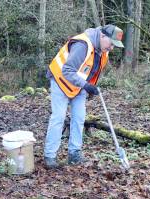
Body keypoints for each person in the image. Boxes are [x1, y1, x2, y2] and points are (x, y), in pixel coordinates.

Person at [44, 24, 124, 168]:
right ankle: (50, 156)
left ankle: (74, 153)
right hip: (60, 80)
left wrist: (90, 89)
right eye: (111, 44)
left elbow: (93, 72)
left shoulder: (103, 51)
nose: (111, 48)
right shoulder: (82, 45)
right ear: (102, 36)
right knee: (59, 117)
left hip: (78, 86)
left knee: (79, 118)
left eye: (114, 46)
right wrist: (86, 85)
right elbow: (67, 70)